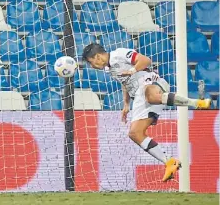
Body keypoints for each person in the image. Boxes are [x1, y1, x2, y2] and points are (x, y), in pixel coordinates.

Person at [81, 43, 211, 182]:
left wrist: (132, 70)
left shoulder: (119, 53)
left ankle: (197, 103)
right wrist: (126, 104)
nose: (92, 66)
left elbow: (145, 60)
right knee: (135, 133)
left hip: (150, 82)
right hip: (138, 96)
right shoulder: (110, 69)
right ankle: (169, 162)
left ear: (97, 57)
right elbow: (125, 83)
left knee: (151, 95)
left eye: (91, 62)